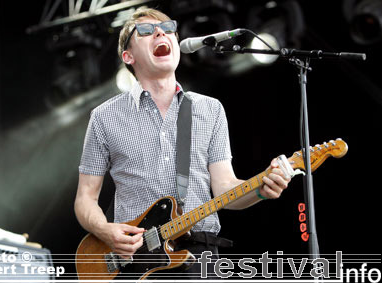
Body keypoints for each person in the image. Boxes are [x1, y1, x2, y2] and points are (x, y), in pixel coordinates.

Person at [74, 7, 291, 279]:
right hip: (134, 262)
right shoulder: (104, 117)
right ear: (128, 56)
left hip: (199, 256)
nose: (160, 32)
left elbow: (225, 188)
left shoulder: (210, 110)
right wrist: (106, 230)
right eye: (145, 31)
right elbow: (85, 198)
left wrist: (262, 188)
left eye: (168, 28)